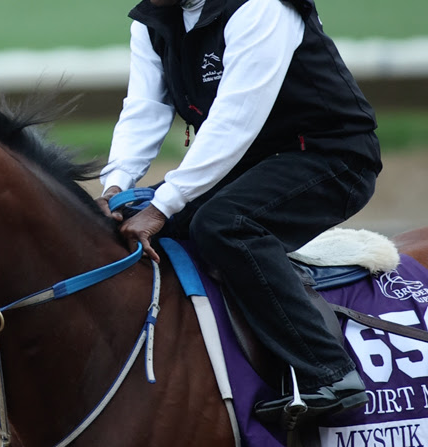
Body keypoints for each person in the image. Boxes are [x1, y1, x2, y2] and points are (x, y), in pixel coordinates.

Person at [96, 0, 382, 423]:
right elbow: (145, 109)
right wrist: (117, 186)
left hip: (330, 157)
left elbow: (234, 121)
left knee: (226, 225)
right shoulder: (153, 21)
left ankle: (329, 374)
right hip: (248, 163)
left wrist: (162, 205)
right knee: (128, 224)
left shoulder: (262, 7)